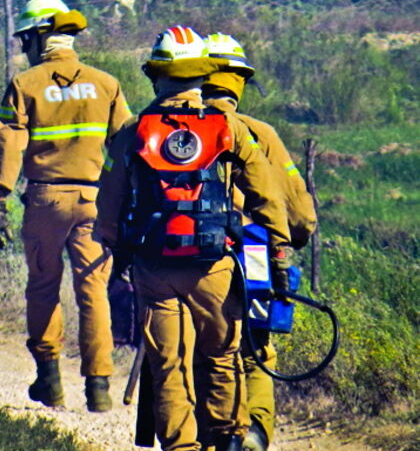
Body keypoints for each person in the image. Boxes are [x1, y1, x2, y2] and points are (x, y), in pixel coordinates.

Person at [94, 26, 292, 451]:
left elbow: (107, 212)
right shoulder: (230, 128)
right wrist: (278, 258)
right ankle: (229, 439)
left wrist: (122, 258)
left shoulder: (131, 133)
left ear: (155, 75)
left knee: (168, 366)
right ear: (203, 75)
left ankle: (181, 447)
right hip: (215, 268)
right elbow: (268, 199)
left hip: (155, 269)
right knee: (221, 359)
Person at [0, 0, 131, 412]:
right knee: (95, 293)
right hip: (94, 201)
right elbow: (125, 149)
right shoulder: (106, 84)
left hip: (45, 202)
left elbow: (9, 144)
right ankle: (99, 390)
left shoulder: (25, 85)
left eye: (25, 40)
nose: (23, 49)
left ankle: (49, 383)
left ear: (37, 37)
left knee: (44, 288)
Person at [203, 33, 317, 451]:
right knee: (255, 351)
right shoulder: (260, 134)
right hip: (253, 256)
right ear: (239, 82)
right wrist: (286, 247)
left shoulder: (166, 128)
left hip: (184, 259)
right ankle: (252, 432)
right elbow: (301, 215)